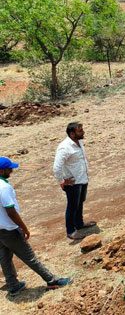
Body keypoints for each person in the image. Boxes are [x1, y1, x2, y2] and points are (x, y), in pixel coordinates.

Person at [1, 157, 72, 295]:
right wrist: (24, 228)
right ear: (2, 170)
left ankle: (13, 285)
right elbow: (10, 211)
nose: (12, 170)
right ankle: (52, 280)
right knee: (30, 257)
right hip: (10, 230)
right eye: (9, 168)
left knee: (4, 258)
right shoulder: (4, 187)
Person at [53, 123, 96, 240]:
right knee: (72, 206)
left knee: (80, 202)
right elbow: (57, 167)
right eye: (80, 131)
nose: (83, 132)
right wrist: (61, 181)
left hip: (82, 178)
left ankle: (79, 224)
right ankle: (71, 231)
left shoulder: (79, 142)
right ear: (72, 134)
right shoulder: (64, 147)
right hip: (73, 183)